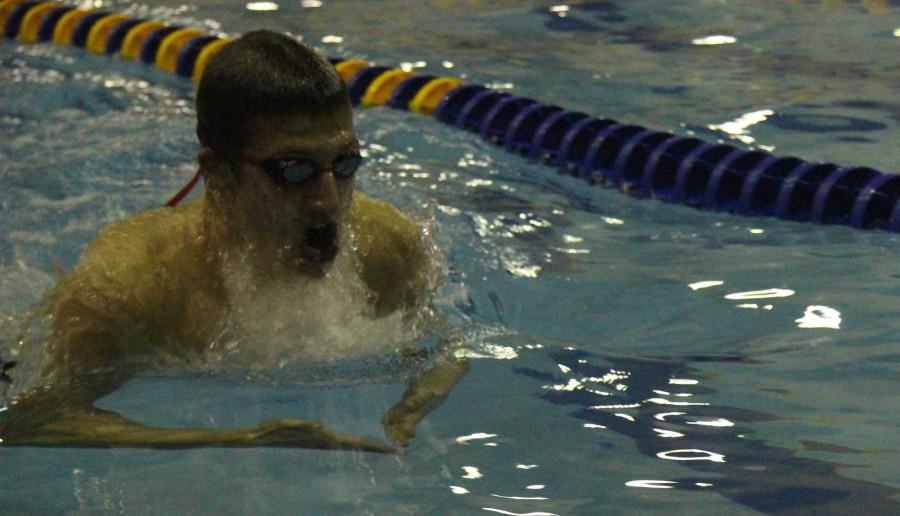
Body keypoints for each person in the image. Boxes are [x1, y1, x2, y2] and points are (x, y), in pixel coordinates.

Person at [0, 30, 466, 451]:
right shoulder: (130, 288)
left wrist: (419, 401)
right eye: (294, 170)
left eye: (344, 165)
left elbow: (441, 344)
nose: (328, 201)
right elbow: (31, 421)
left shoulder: (391, 247)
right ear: (219, 174)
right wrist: (242, 438)